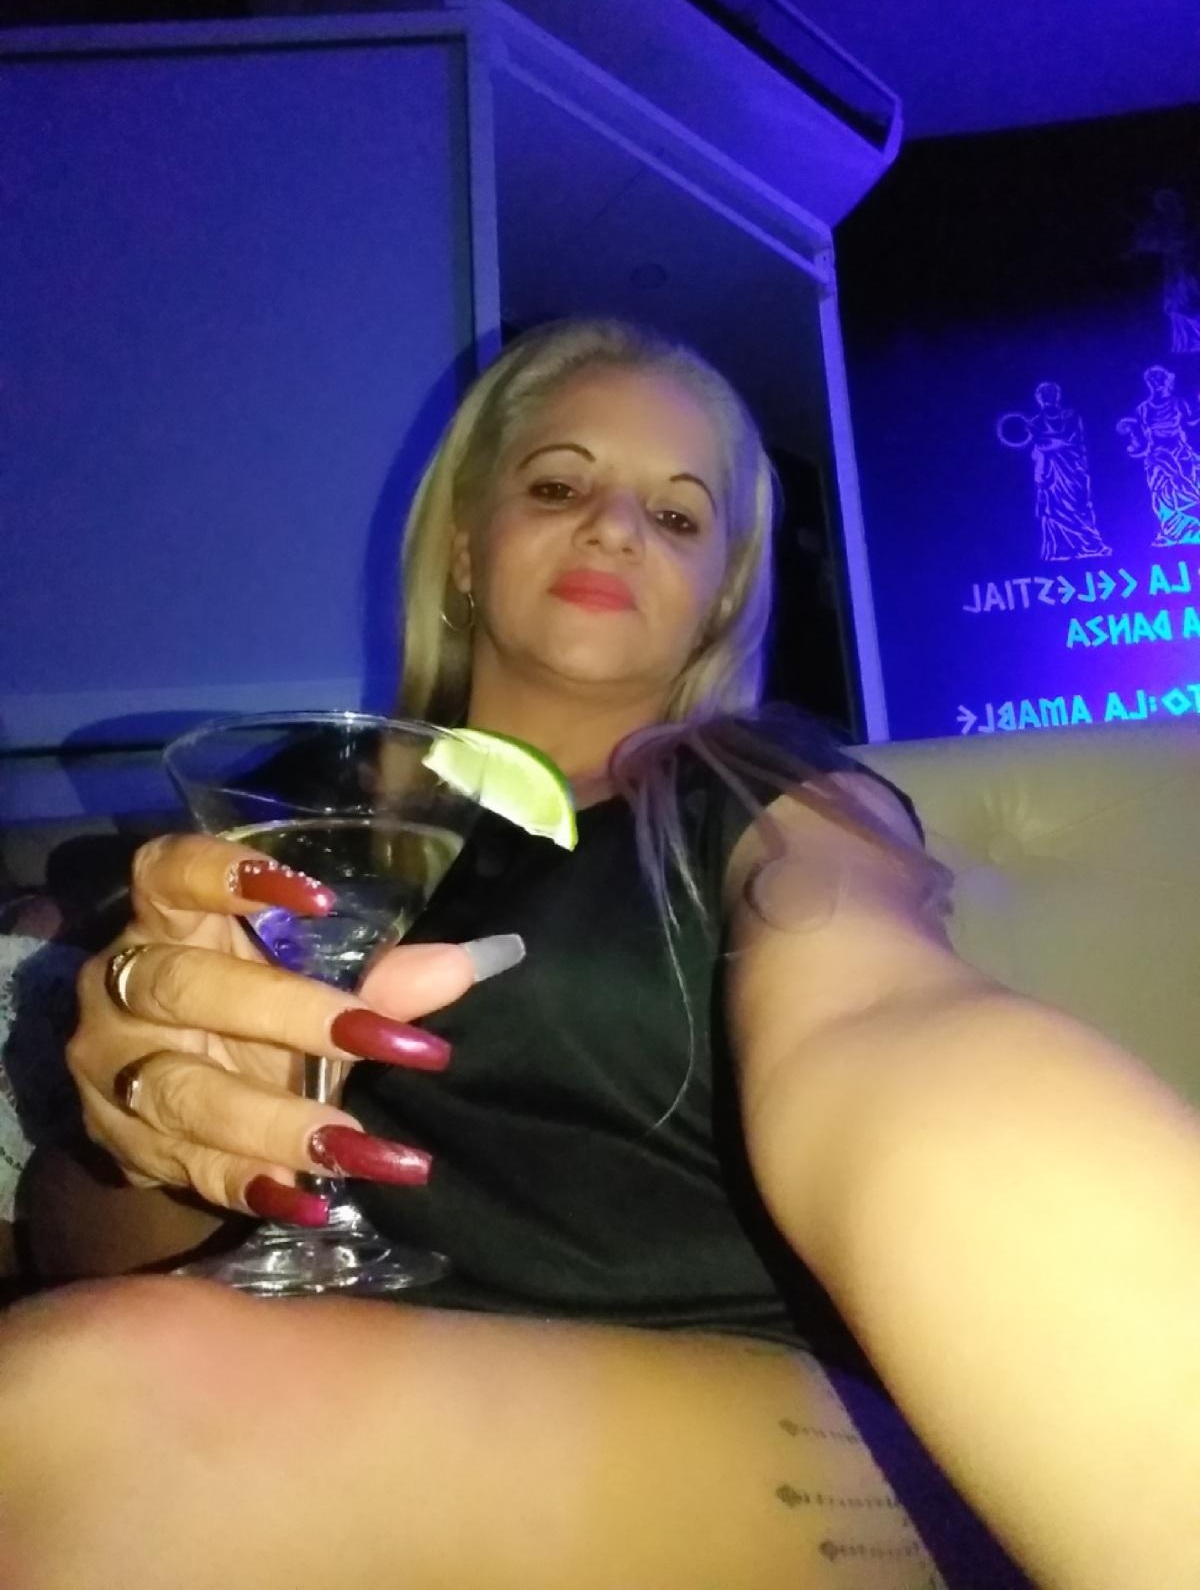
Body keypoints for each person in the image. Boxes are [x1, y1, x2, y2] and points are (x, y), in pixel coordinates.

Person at [3, 319, 1198, 1590]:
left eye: (677, 516)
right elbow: (77, 1246)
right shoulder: (292, 817)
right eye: (559, 486)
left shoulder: (770, 796)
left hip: (768, 1416)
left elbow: (880, 1022)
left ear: (717, 599)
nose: (617, 528)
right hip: (288, 1376)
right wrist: (164, 1132)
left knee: (95, 1417)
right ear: (466, 545)